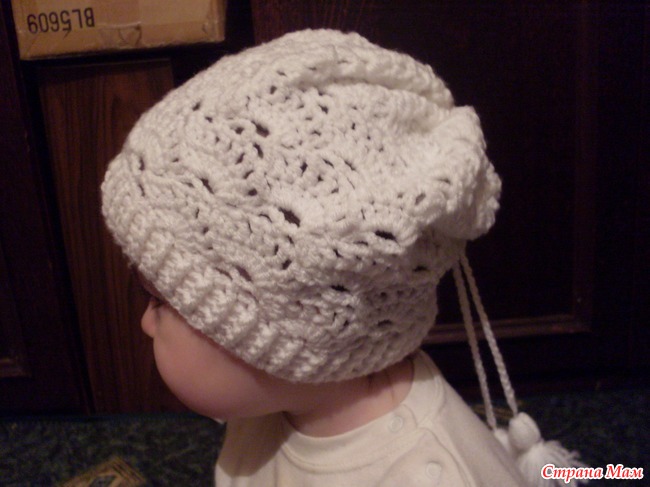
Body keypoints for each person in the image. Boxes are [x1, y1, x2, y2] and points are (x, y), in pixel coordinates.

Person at [102, 29, 583, 486]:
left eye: (159, 300)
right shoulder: (270, 407)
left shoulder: (424, 476)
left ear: (288, 321)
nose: (145, 323)